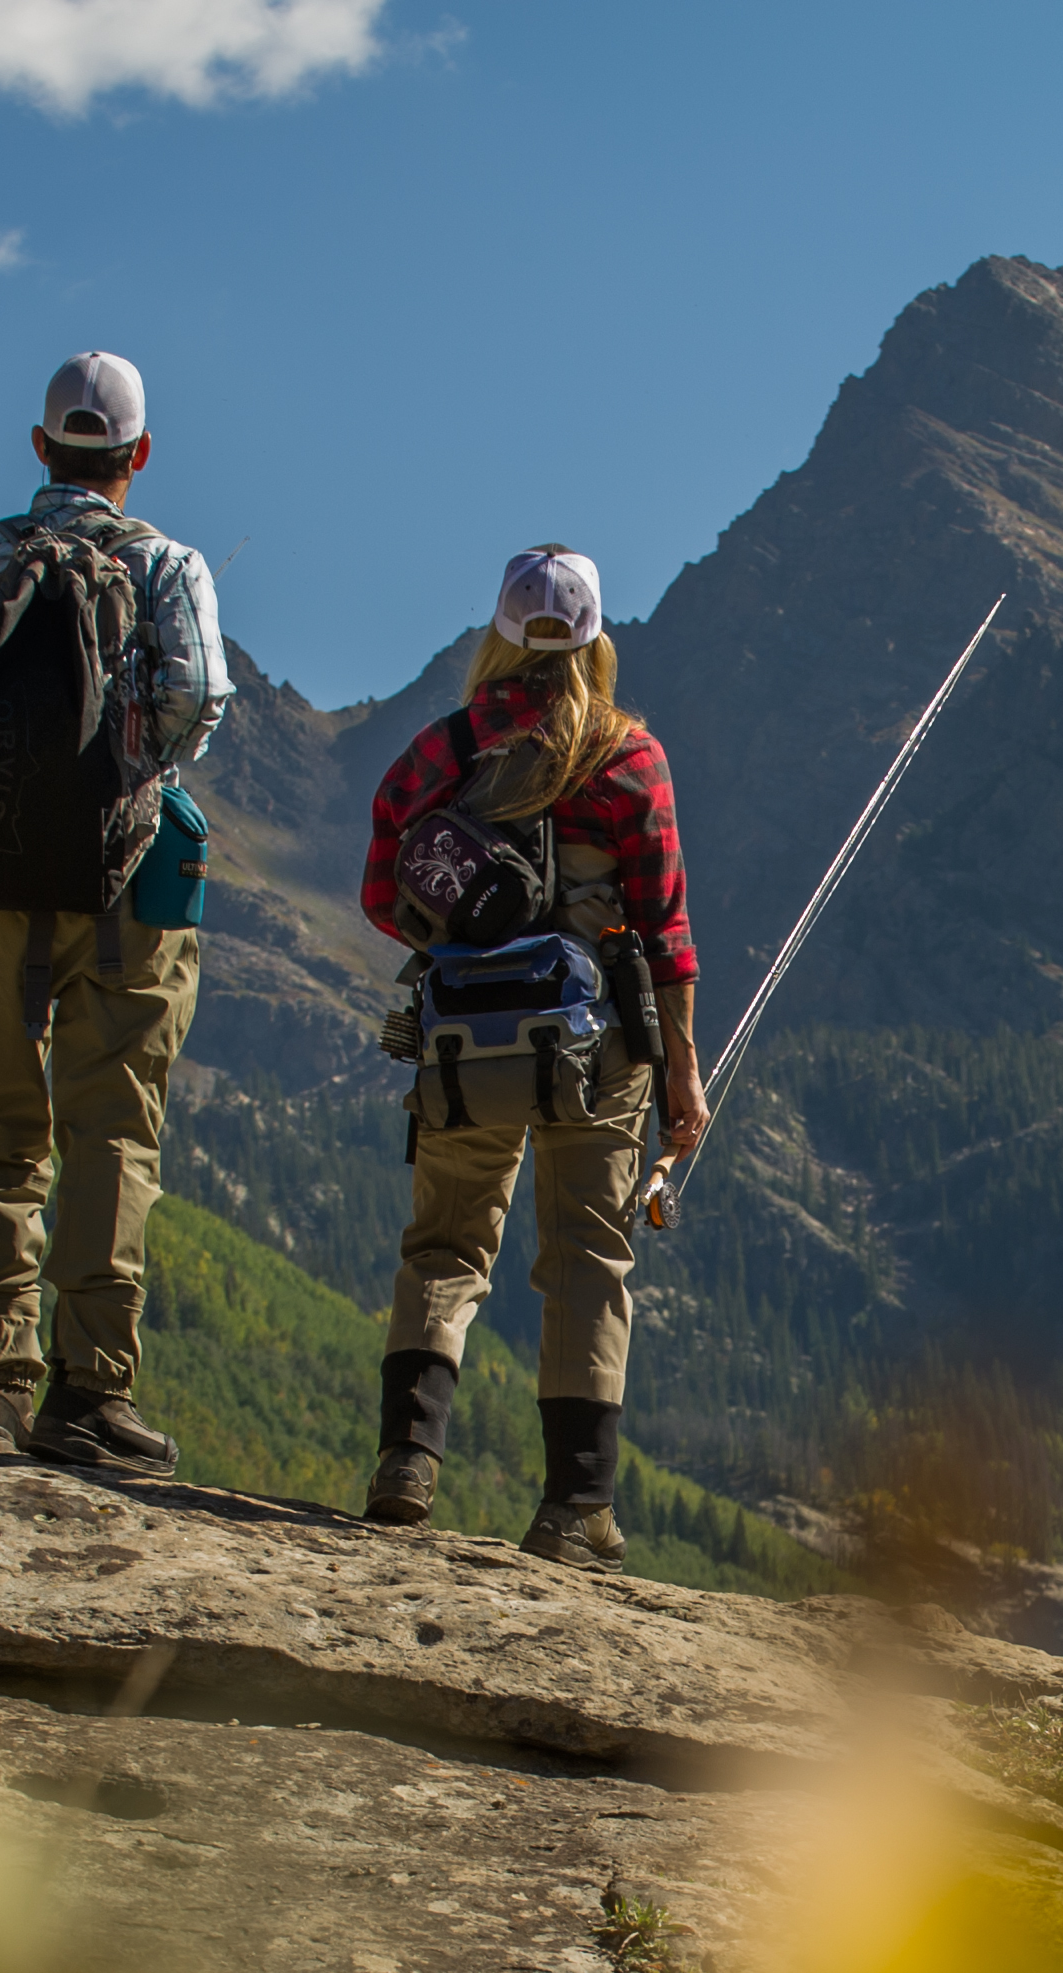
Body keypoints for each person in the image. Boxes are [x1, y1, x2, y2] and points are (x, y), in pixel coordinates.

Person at [0, 351, 228, 1472]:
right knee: (112, 1128)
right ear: (137, 455)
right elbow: (194, 696)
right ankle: (88, 1393)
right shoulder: (167, 565)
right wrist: (124, 776)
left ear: (39, 448)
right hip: (121, 886)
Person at [354, 546, 713, 1568]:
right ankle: (573, 1510)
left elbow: (384, 892)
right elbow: (666, 927)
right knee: (586, 1257)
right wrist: (681, 1072)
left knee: (445, 1246)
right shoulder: (629, 758)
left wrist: (467, 938)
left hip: (466, 1042)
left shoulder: (442, 753)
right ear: (595, 640)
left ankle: (406, 1467)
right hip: (597, 1048)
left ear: (501, 636)